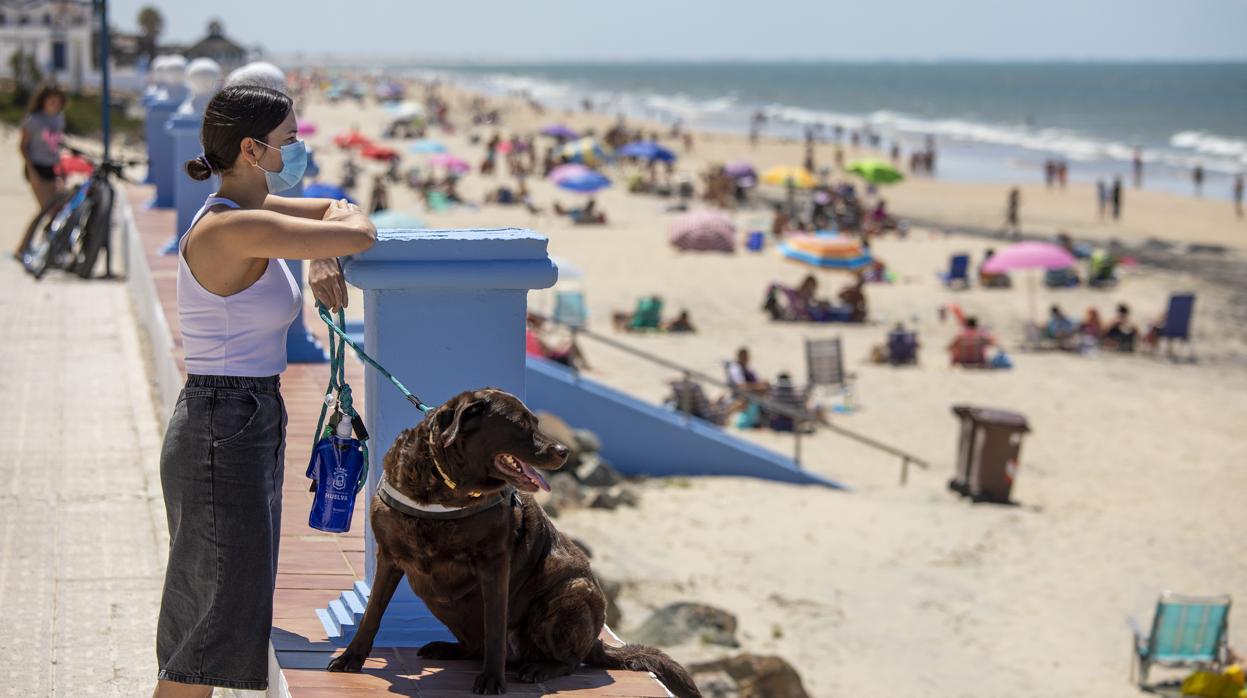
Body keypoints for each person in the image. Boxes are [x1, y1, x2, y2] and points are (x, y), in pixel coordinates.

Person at [155, 85, 376, 697]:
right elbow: (356, 231)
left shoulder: (252, 218)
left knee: (224, 610)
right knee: (208, 629)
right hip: (222, 422)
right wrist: (326, 250)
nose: (299, 151)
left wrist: (317, 254)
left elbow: (340, 210)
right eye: (289, 140)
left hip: (242, 417)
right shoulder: (235, 226)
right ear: (253, 150)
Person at [16, 84, 67, 251]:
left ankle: (51, 247)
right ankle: (23, 247)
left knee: (58, 210)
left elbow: (57, 147)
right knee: (45, 209)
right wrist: (32, 172)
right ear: (43, 101)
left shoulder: (59, 119)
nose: (54, 104)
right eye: (51, 100)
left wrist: (62, 172)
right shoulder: (33, 120)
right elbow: (23, 147)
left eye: (57, 101)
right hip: (36, 168)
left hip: (52, 167)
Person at [525, 313, 590, 369]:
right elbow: (547, 352)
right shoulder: (535, 335)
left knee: (569, 345)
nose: (543, 322)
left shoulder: (531, 332)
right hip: (543, 363)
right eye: (542, 321)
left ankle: (585, 365)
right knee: (571, 346)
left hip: (537, 361)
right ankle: (585, 366)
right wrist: (560, 347)